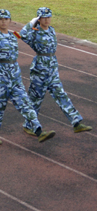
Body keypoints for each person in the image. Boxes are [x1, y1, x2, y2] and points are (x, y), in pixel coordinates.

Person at [0, 9, 55, 145]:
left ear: (10, 21)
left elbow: (24, 34)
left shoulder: (13, 36)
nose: (3, 22)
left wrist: (31, 23)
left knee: (26, 103)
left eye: (6, 19)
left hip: (15, 77)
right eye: (0, 19)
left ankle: (39, 131)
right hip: (1, 78)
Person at [19, 7, 92, 135]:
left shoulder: (52, 30)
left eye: (49, 17)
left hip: (52, 68)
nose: (47, 20)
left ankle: (76, 122)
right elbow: (22, 35)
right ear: (39, 19)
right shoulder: (35, 32)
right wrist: (31, 23)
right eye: (44, 17)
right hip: (40, 69)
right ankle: (29, 125)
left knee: (61, 94)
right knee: (35, 99)